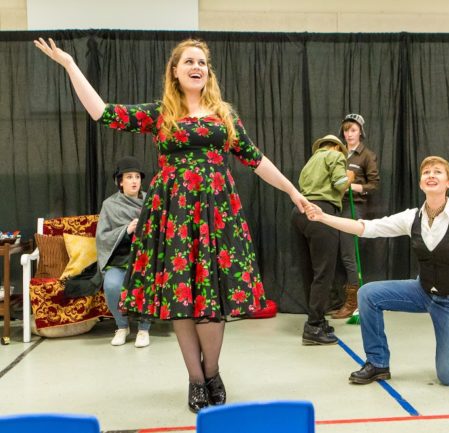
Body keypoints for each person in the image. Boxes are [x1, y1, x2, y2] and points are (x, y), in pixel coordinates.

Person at [34, 37, 309, 412]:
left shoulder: (224, 115)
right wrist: (69, 65)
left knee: (210, 300)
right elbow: (102, 112)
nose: (197, 66)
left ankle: (211, 373)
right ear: (175, 71)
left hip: (216, 216)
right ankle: (195, 380)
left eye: (202, 62)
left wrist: (293, 190)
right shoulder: (161, 113)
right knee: (182, 299)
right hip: (174, 216)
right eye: (189, 61)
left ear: (207, 72)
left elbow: (256, 159)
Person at [306, 156, 449, 386]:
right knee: (368, 294)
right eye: (426, 172)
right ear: (420, 183)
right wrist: (323, 216)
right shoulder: (412, 217)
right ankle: (377, 364)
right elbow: (367, 228)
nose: (431, 175)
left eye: (437, 172)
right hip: (423, 291)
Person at [291, 134, 354, 345]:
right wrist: (350, 178)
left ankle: (316, 319)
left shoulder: (309, 163)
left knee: (310, 272)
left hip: (300, 212)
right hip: (321, 212)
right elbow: (339, 184)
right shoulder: (335, 156)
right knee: (324, 272)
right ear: (336, 146)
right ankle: (314, 326)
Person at [95, 156, 152, 348]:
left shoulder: (151, 202)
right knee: (111, 286)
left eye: (137, 176)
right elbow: (102, 237)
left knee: (147, 282)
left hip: (145, 259)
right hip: (119, 260)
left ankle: (144, 329)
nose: (134, 180)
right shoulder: (110, 205)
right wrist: (126, 230)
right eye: (129, 177)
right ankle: (122, 326)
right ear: (120, 181)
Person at [330, 113, 380, 319]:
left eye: (353, 130)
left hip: (353, 207)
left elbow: (374, 185)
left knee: (348, 255)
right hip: (333, 205)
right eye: (346, 130)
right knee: (332, 253)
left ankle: (353, 302)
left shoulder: (366, 155)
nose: (348, 134)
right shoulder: (336, 152)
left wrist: (354, 186)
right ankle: (336, 300)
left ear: (360, 132)